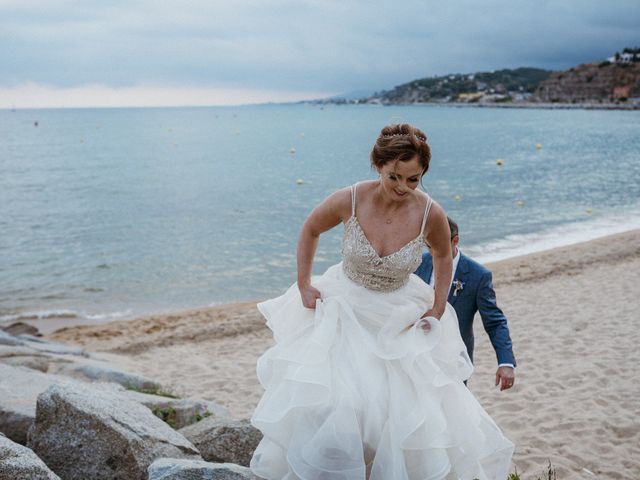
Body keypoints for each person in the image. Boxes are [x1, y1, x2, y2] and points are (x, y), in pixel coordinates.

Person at [250, 124, 513, 480]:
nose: (403, 188)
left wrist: (437, 306)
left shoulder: (429, 213)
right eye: (395, 177)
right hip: (344, 308)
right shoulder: (351, 198)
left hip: (397, 316)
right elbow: (310, 228)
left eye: (413, 180)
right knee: (338, 403)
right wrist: (303, 284)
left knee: (396, 411)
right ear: (378, 165)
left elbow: (443, 256)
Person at [415, 217, 517, 391]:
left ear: (455, 240)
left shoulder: (478, 275)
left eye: (437, 245)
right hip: (416, 354)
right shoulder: (418, 263)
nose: (433, 252)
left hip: (453, 358)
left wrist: (505, 362)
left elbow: (494, 322)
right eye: (429, 246)